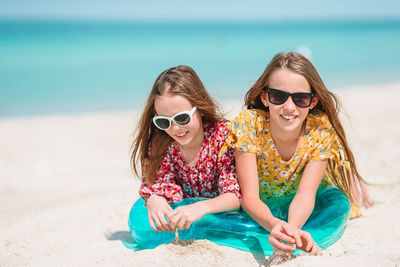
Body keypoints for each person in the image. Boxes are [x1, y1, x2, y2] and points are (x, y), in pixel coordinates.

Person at [225, 52, 373, 255]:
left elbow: (306, 195)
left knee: (344, 203)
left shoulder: (319, 129)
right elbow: (249, 196)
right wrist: (273, 224)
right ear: (264, 97)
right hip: (263, 202)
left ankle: (358, 185)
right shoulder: (249, 125)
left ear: (312, 102)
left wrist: (291, 231)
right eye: (278, 96)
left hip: (303, 197)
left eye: (301, 99)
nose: (289, 107)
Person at [130, 65, 240, 234]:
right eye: (164, 122)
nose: (174, 129)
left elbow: (235, 195)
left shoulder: (223, 138)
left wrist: (202, 207)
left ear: (200, 108)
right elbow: (161, 184)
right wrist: (155, 198)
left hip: (224, 216)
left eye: (182, 118)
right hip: (186, 218)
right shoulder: (162, 143)